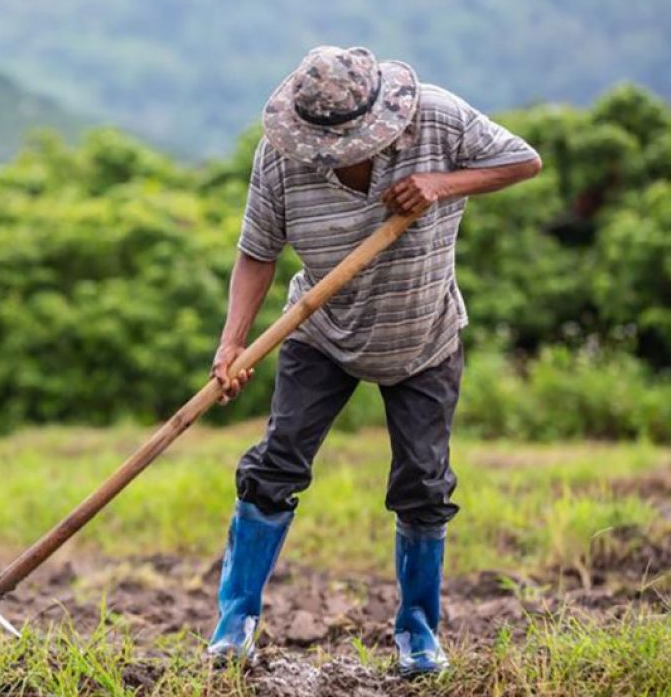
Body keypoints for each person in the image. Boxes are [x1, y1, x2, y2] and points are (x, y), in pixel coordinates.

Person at [207, 45, 542, 677]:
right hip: (321, 330)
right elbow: (257, 252)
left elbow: (523, 161)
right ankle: (234, 625)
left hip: (424, 334)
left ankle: (418, 634)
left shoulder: (438, 119)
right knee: (275, 465)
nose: (334, 155)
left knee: (423, 483)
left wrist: (441, 184)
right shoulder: (281, 157)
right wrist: (232, 343)